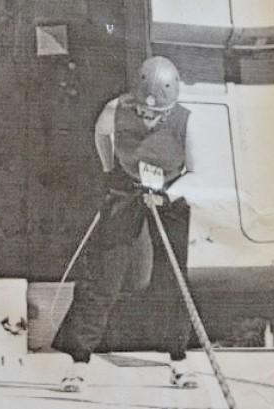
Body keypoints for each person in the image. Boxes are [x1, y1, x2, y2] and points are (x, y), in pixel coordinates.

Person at [51, 56, 197, 392]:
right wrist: (110, 171)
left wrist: (165, 196)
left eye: (157, 114)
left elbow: (195, 172)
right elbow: (102, 137)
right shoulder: (114, 110)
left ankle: (178, 361)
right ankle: (78, 363)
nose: (148, 119)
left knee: (171, 279)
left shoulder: (187, 121)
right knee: (103, 277)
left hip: (169, 195)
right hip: (126, 189)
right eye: (143, 112)